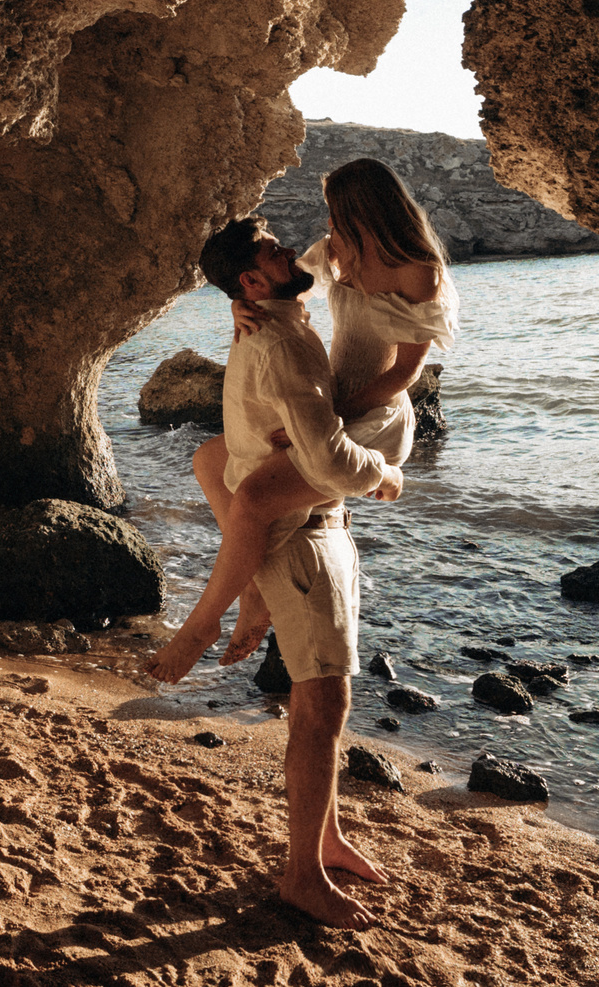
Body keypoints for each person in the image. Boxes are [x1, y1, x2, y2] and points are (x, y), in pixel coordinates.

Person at [140, 214, 411, 929]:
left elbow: (322, 263)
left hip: (318, 532)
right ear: (254, 279)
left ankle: (322, 837)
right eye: (270, 249)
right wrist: (385, 472)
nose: (290, 248)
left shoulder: (275, 316)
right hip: (304, 540)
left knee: (323, 703)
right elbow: (323, 460)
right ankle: (302, 874)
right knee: (321, 708)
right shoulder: (282, 345)